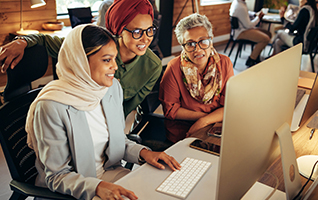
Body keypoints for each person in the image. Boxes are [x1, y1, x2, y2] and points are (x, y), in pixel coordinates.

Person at [25, 24, 180, 200]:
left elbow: (117, 140)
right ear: (80, 61)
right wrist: (97, 187)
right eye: (107, 60)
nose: (115, 66)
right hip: (75, 189)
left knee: (165, 190)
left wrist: (145, 153)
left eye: (115, 59)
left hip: (110, 175)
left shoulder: (111, 88)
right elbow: (56, 176)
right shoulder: (51, 106)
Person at [0, 0, 160, 117]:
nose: (146, 39)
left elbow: (124, 110)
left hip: (105, 123)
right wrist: (22, 41)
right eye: (137, 32)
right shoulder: (92, 45)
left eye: (150, 30)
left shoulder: (153, 67)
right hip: (72, 115)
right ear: (119, 30)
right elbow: (45, 40)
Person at [159, 13, 234, 144]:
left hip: (215, 127)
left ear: (211, 40)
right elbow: (171, 110)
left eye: (203, 41)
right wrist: (206, 118)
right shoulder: (174, 67)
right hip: (181, 132)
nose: (197, 49)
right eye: (190, 44)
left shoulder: (225, 63)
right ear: (183, 46)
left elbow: (229, 106)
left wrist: (204, 121)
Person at [229, 0, 272, 67]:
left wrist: (254, 14)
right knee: (266, 38)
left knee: (268, 33)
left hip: (240, 29)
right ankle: (251, 59)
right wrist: (258, 18)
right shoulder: (241, 7)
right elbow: (248, 25)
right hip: (241, 32)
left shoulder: (238, 2)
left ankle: (256, 54)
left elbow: (245, 13)